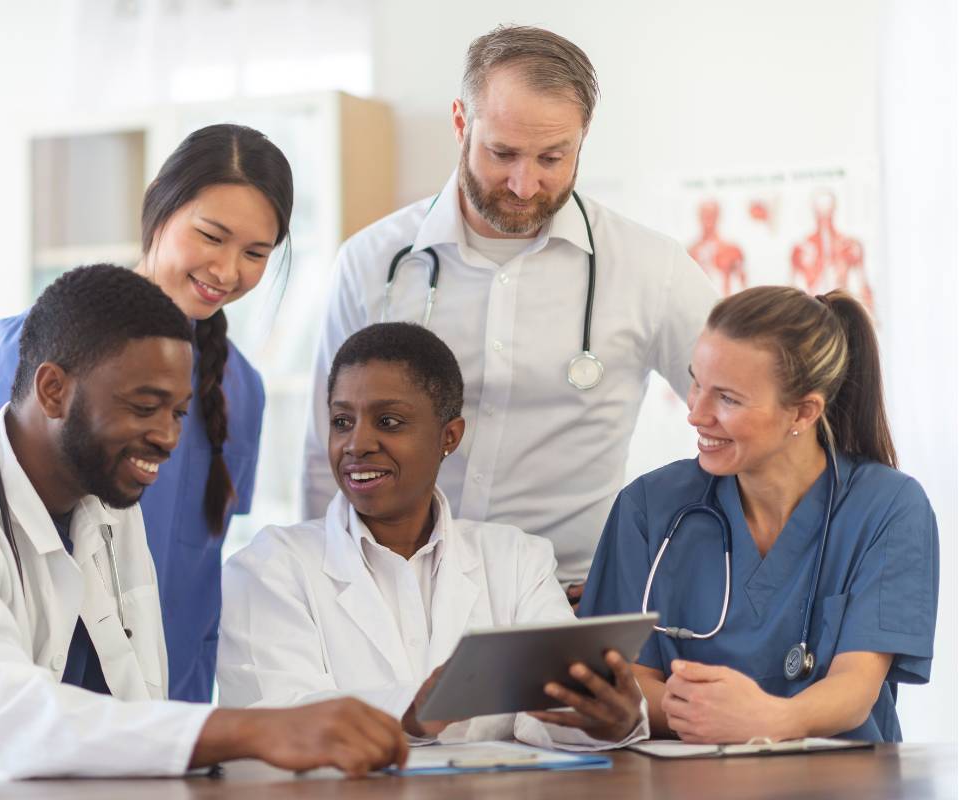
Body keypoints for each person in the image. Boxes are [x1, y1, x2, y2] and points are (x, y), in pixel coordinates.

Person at [0, 266, 407, 795]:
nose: (168, 436)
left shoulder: (109, 507)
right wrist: (249, 729)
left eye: (178, 412)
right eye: (144, 406)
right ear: (53, 389)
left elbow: (137, 697)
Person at [301, 26, 717, 603]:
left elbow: (740, 411)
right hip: (399, 592)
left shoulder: (651, 268)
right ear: (459, 122)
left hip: (569, 596)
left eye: (553, 157)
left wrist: (677, 551)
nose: (526, 184)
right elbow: (328, 452)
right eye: (503, 154)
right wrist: (328, 589)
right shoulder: (373, 263)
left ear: (583, 138)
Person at [0, 124, 290, 702]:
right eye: (212, 236)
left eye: (255, 253)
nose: (228, 270)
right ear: (158, 201)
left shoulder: (241, 389)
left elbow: (199, 579)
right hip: (35, 699)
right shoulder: (32, 348)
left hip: (167, 715)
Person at [221, 322, 647, 749]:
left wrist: (605, 719)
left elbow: (545, 713)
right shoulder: (271, 566)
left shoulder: (516, 560)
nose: (357, 443)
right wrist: (411, 713)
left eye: (388, 421)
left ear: (449, 436)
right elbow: (275, 715)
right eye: (341, 420)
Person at [578, 286, 939, 743]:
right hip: (685, 781)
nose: (697, 414)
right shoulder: (649, 506)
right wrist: (709, 712)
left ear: (805, 412)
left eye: (727, 399)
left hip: (840, 781)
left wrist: (770, 720)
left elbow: (855, 688)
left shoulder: (888, 507)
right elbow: (623, 680)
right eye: (696, 383)